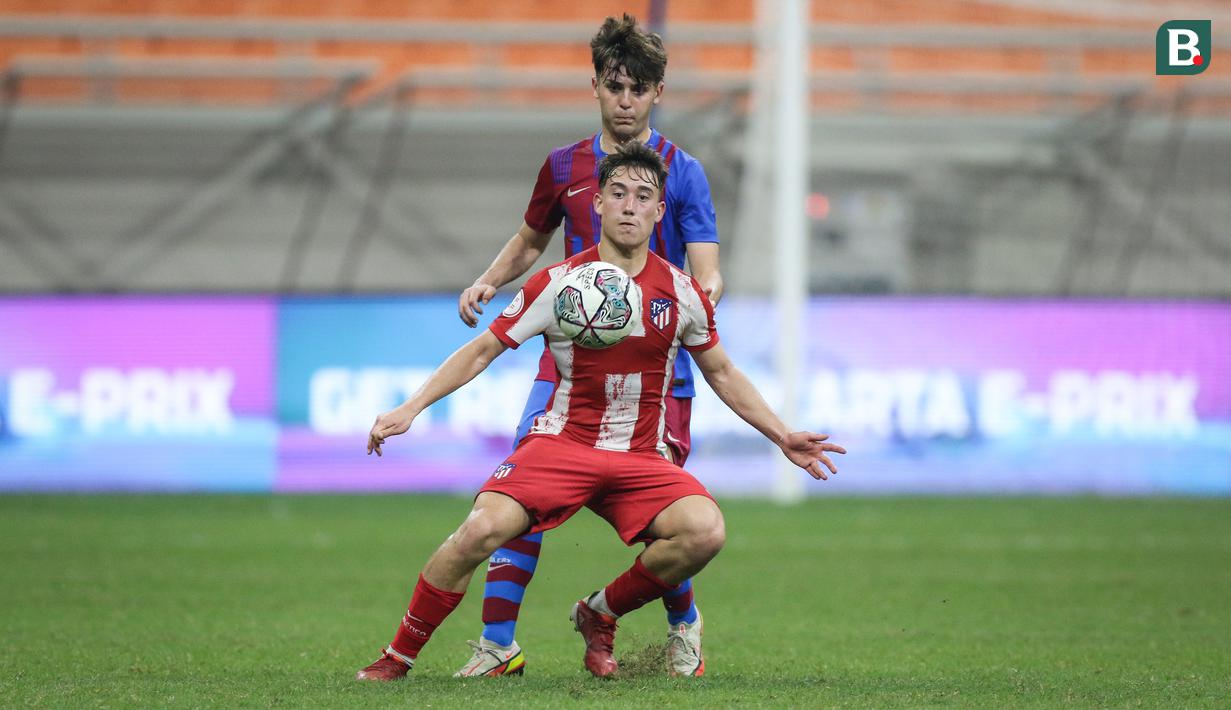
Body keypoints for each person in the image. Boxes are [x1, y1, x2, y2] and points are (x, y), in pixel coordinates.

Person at [356, 143, 844, 682]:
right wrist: (411, 407)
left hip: (639, 454)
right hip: (562, 445)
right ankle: (396, 658)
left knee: (704, 532)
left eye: (643, 197)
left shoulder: (683, 293)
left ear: (661, 211)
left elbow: (722, 372)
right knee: (478, 532)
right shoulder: (559, 283)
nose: (630, 206)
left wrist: (782, 436)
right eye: (618, 194)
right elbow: (482, 349)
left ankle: (599, 612)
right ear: (598, 206)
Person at [455, 13, 723, 678]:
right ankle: (496, 645)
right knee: (518, 495)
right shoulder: (562, 167)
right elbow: (529, 239)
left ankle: (681, 624)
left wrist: (703, 296)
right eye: (614, 86)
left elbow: (706, 262)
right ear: (596, 88)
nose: (625, 100)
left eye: (638, 89)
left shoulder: (681, 172)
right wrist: (490, 280)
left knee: (667, 519)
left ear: (657, 94)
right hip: (567, 364)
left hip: (656, 377)